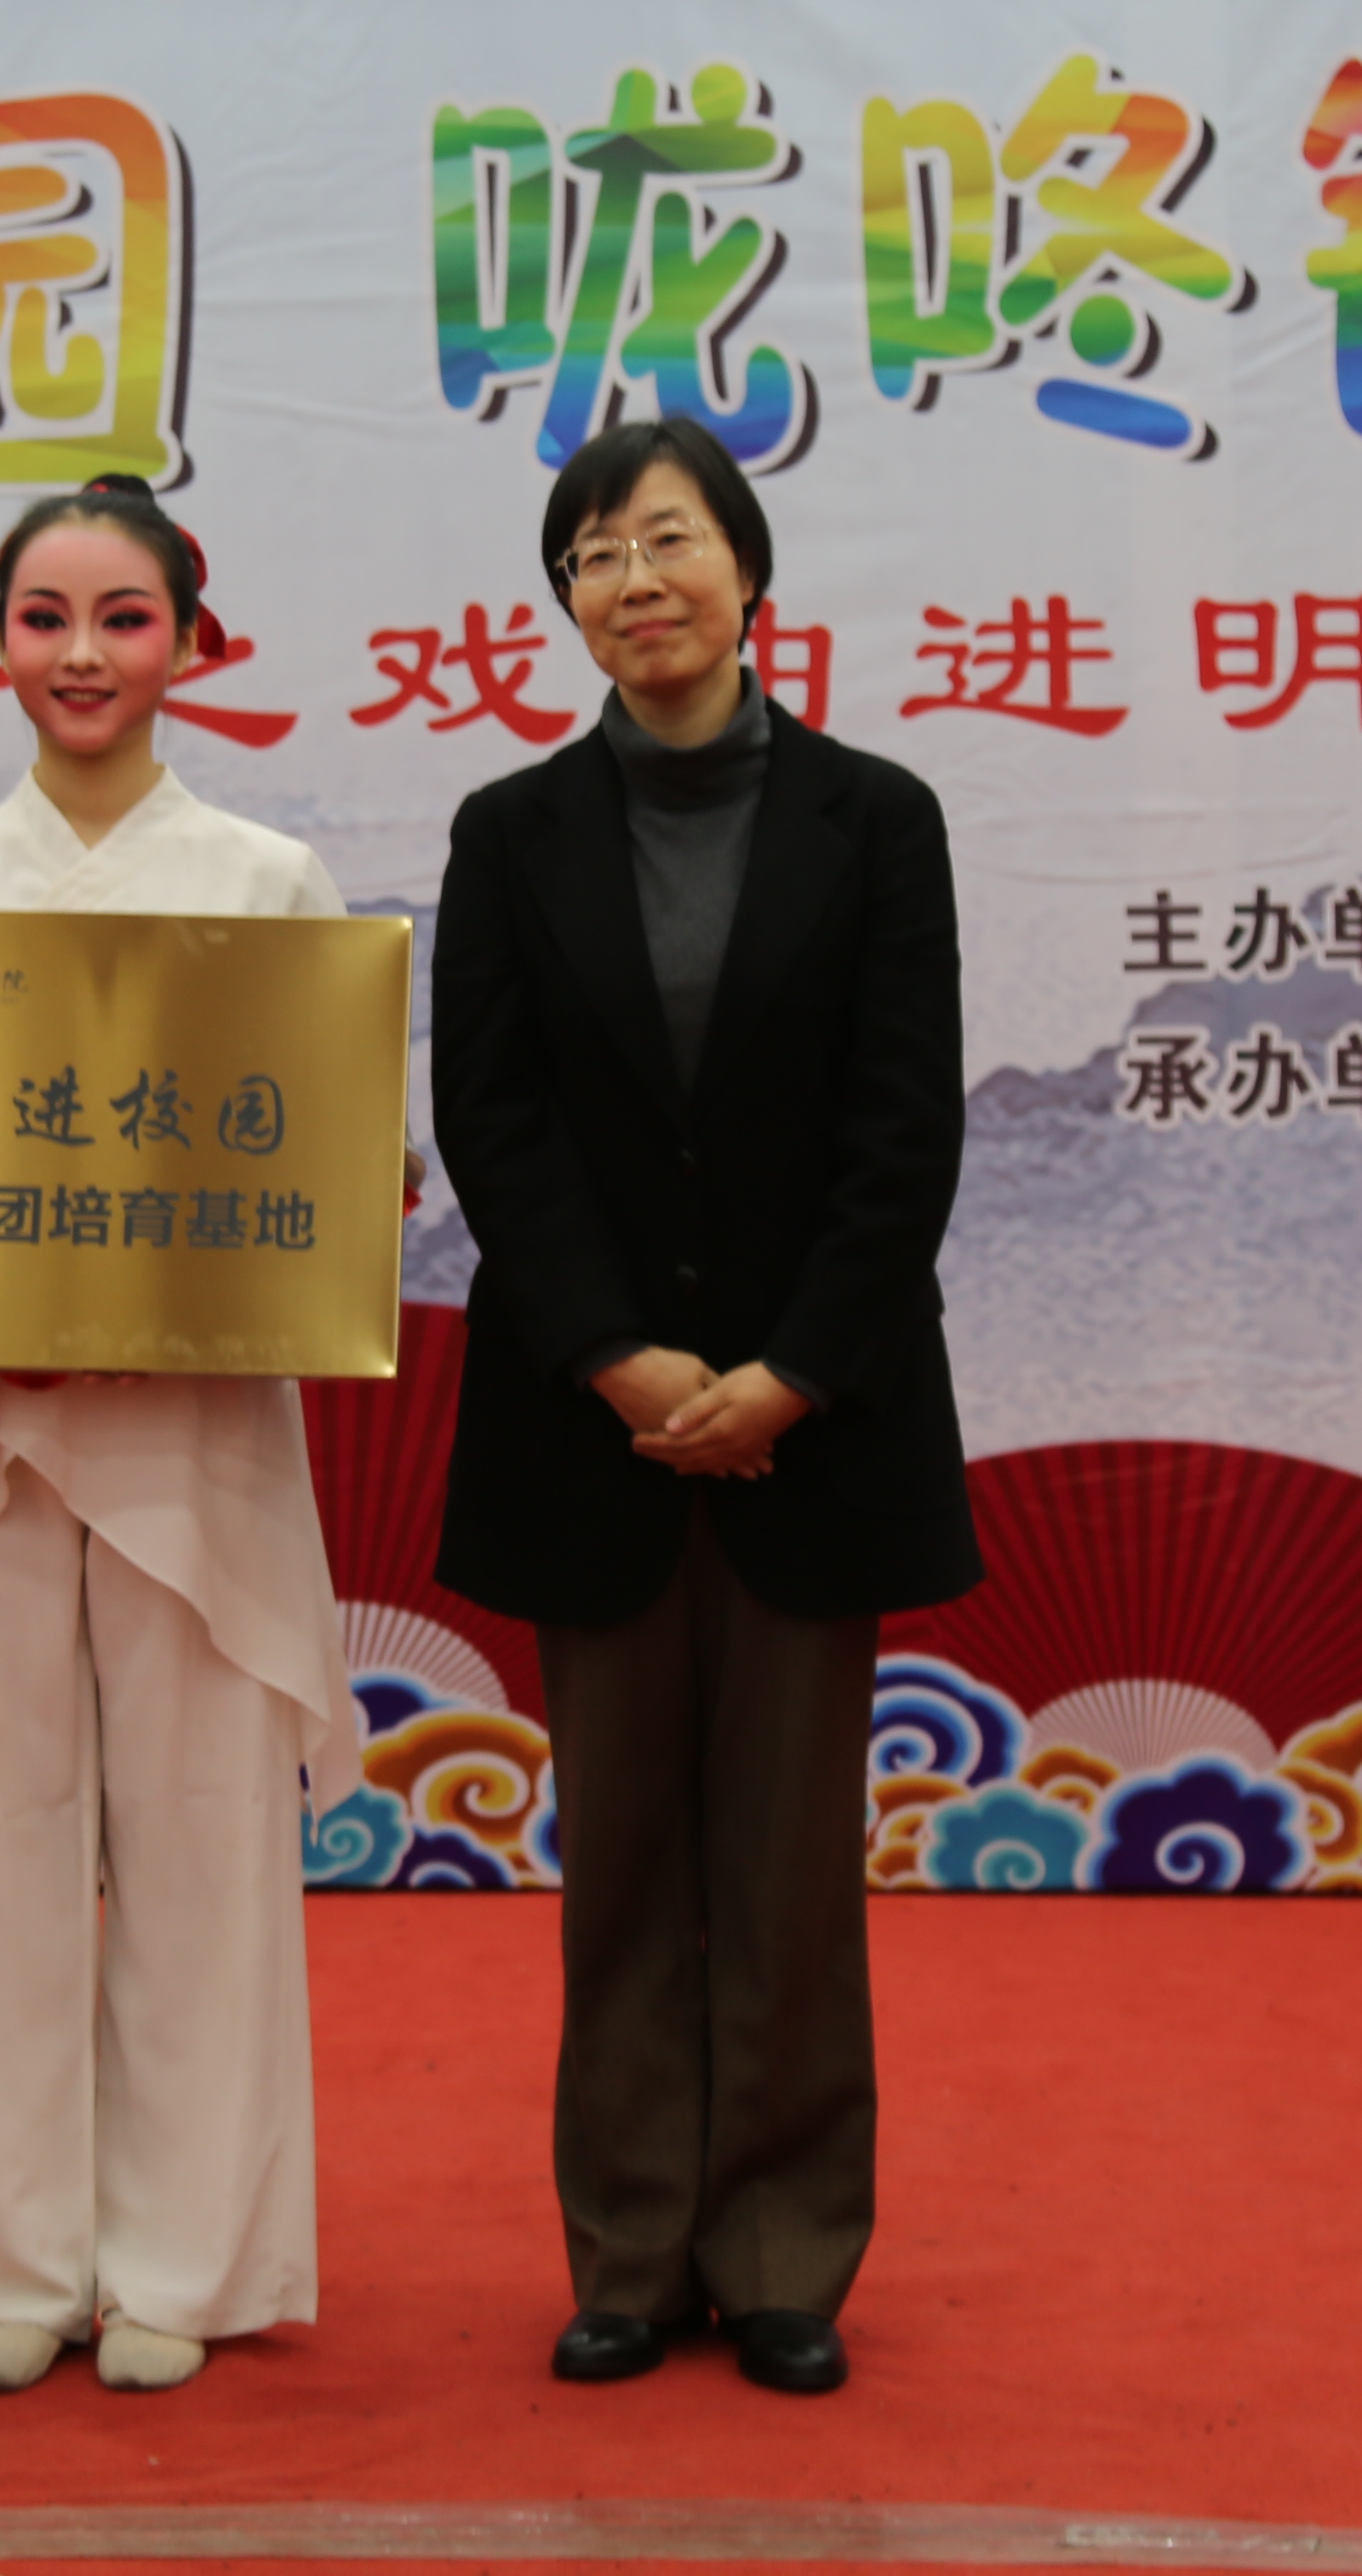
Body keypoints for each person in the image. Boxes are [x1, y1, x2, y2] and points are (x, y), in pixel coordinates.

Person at [427, 420, 978, 2399]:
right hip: (593, 1426)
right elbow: (489, 1121)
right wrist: (623, 1360)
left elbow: (901, 1127)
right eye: (593, 553)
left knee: (786, 1869)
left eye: (667, 539)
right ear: (565, 604)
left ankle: (781, 2252)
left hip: (813, 1426)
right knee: (625, 1871)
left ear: (748, 575)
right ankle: (629, 2251)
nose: (633, 578)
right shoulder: (508, 832)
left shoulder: (874, 818)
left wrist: (787, 1374)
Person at [0, 475, 363, 2397]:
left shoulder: (269, 883)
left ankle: (181, 2263)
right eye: (44, 616)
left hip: (193, 1428)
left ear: (189, 643)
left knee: (204, 1838)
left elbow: (328, 1176)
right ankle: (2, 2257)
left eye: (122, 617)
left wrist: (319, 1227)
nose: (81, 654)